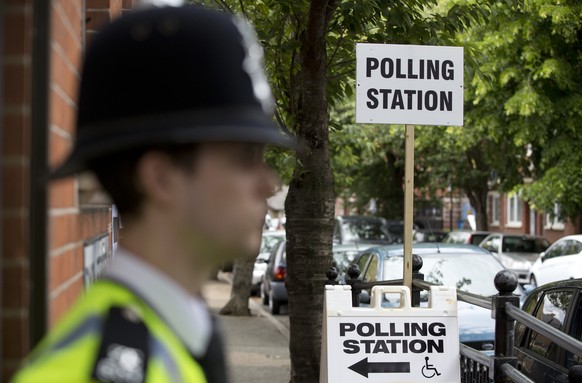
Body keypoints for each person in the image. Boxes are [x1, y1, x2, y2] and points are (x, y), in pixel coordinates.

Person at [11, 4, 295, 383]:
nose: (269, 183)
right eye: (244, 158)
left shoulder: (177, 337)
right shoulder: (96, 370)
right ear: (160, 178)